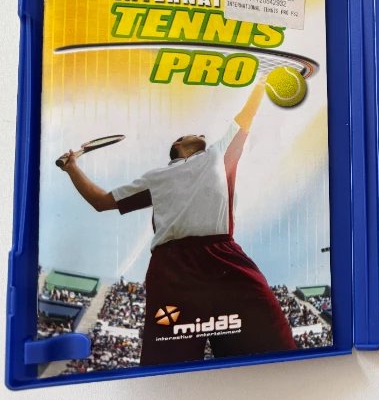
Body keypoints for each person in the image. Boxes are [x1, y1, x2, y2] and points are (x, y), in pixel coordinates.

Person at [60, 78, 296, 365]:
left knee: (273, 343)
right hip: (172, 270)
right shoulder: (155, 178)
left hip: (223, 258)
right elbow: (101, 201)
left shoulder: (218, 153)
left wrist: (260, 86)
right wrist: (72, 169)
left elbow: (245, 117)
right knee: (167, 362)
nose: (202, 134)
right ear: (177, 144)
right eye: (193, 133)